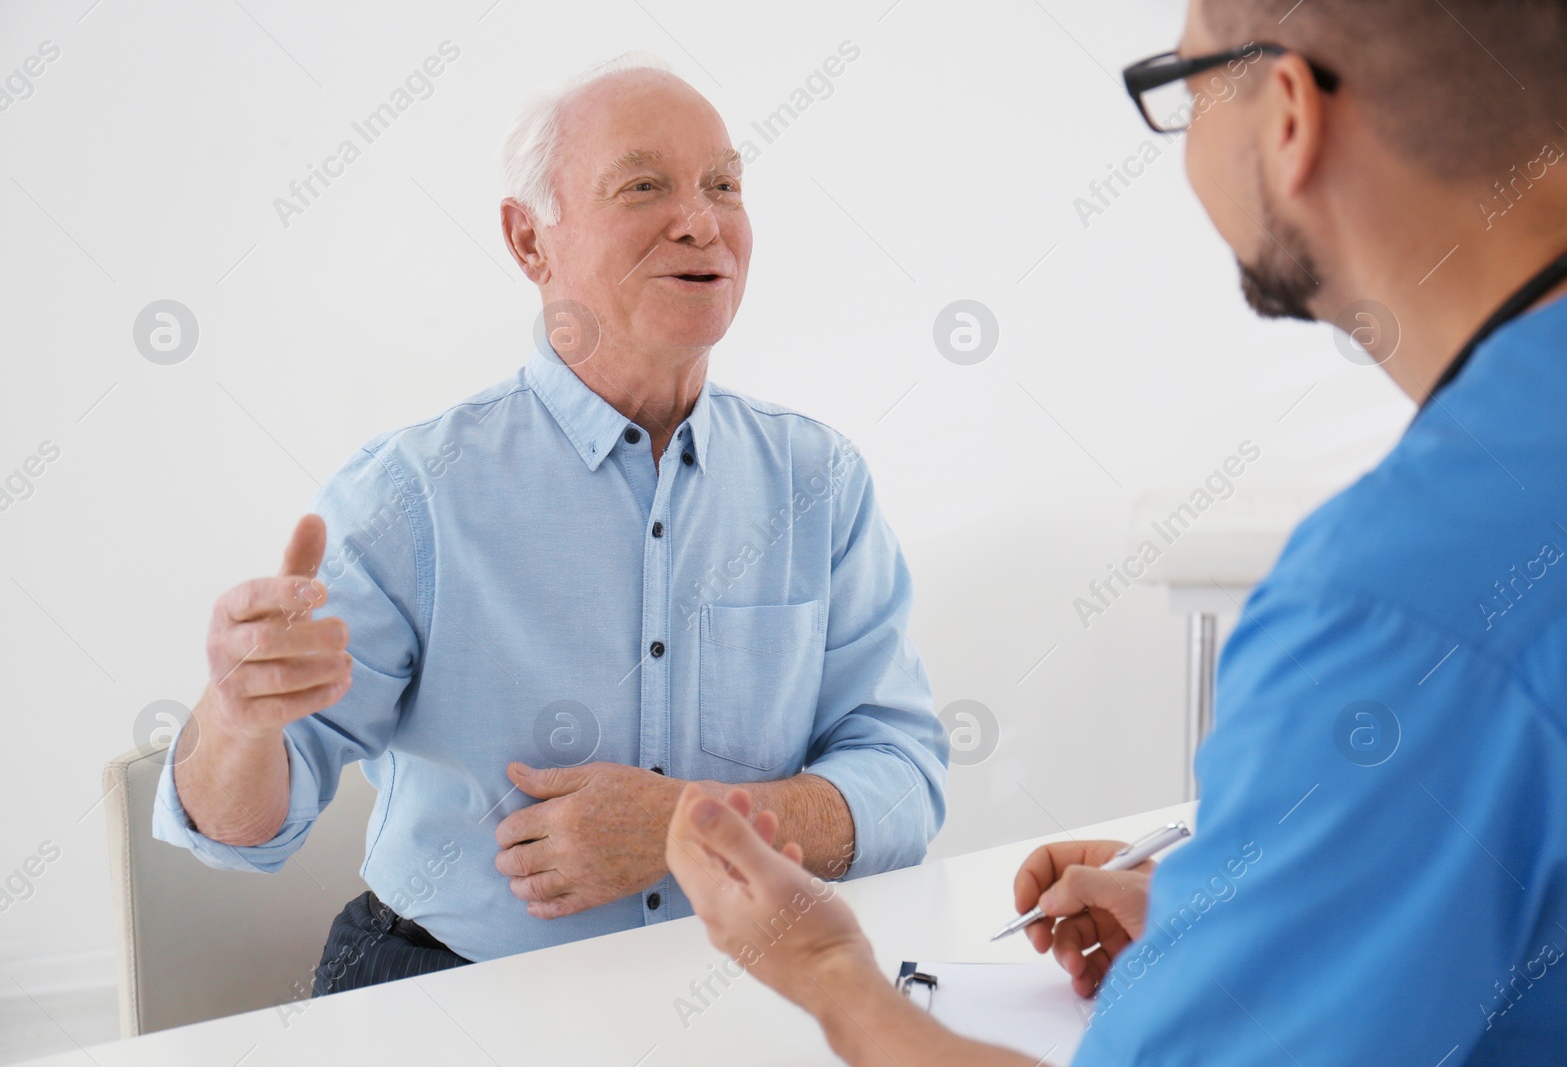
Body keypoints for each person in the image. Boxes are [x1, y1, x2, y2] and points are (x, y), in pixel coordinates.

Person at [667, 0, 1567, 1062]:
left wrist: (835, 978)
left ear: (1286, 113)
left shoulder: (1394, 607)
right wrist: (1255, 907)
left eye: (1181, 94)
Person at [152, 51, 948, 995]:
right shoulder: (412, 491)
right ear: (530, 241)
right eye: (644, 185)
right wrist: (238, 720)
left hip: (741, 988)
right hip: (444, 989)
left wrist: (688, 822)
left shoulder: (821, 482)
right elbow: (240, 831)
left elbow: (903, 782)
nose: (702, 221)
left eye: (724, 185)